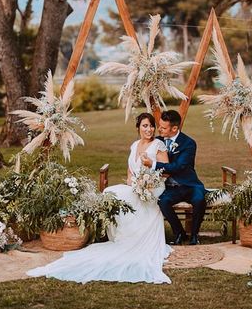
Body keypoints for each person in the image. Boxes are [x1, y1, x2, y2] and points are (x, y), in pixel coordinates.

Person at [26, 112, 173, 284]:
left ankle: (130, 239)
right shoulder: (135, 145)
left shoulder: (158, 145)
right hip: (137, 186)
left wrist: (147, 183)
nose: (149, 129)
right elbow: (130, 170)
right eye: (145, 126)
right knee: (111, 192)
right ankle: (121, 237)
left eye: (151, 126)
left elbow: (167, 172)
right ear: (138, 128)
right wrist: (132, 181)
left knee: (120, 195)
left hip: (153, 187)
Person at [143, 109, 206, 246]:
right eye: (159, 125)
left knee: (199, 200)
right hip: (171, 187)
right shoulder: (158, 141)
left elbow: (178, 166)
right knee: (163, 201)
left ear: (175, 128)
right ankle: (179, 233)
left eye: (163, 127)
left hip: (189, 185)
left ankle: (194, 235)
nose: (159, 129)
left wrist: (152, 164)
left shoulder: (189, 143)